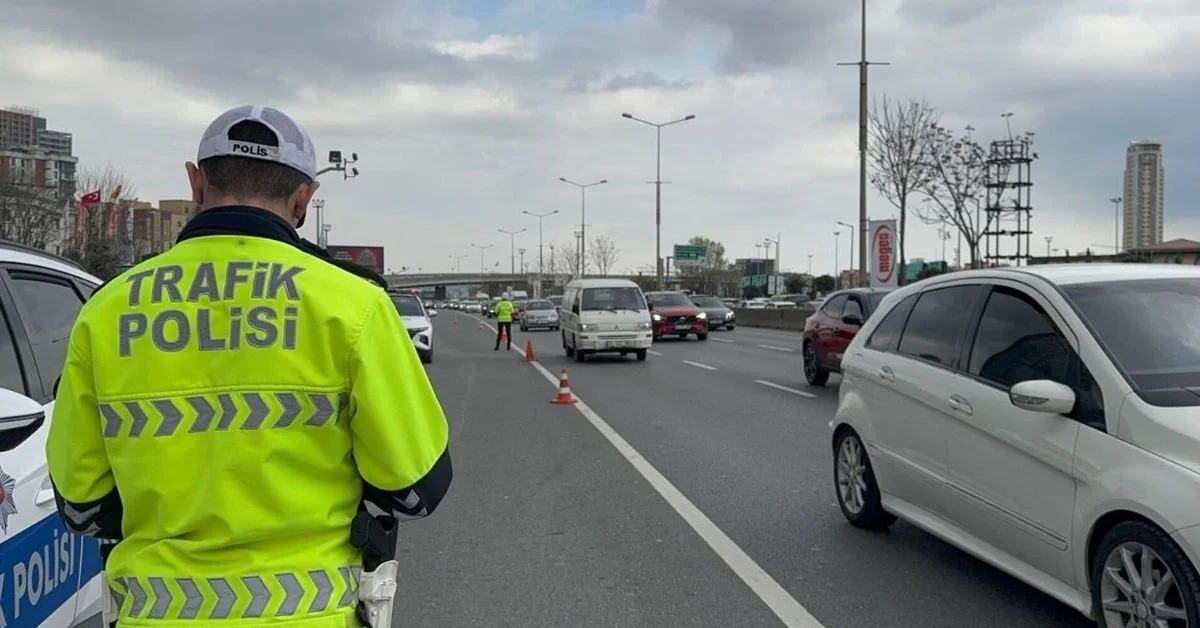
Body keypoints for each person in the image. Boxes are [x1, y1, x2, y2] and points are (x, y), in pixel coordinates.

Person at [46, 105, 452, 627]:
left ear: (196, 183)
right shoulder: (353, 306)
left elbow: (81, 505)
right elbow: (417, 489)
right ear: (305, 197)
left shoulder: (107, 310)